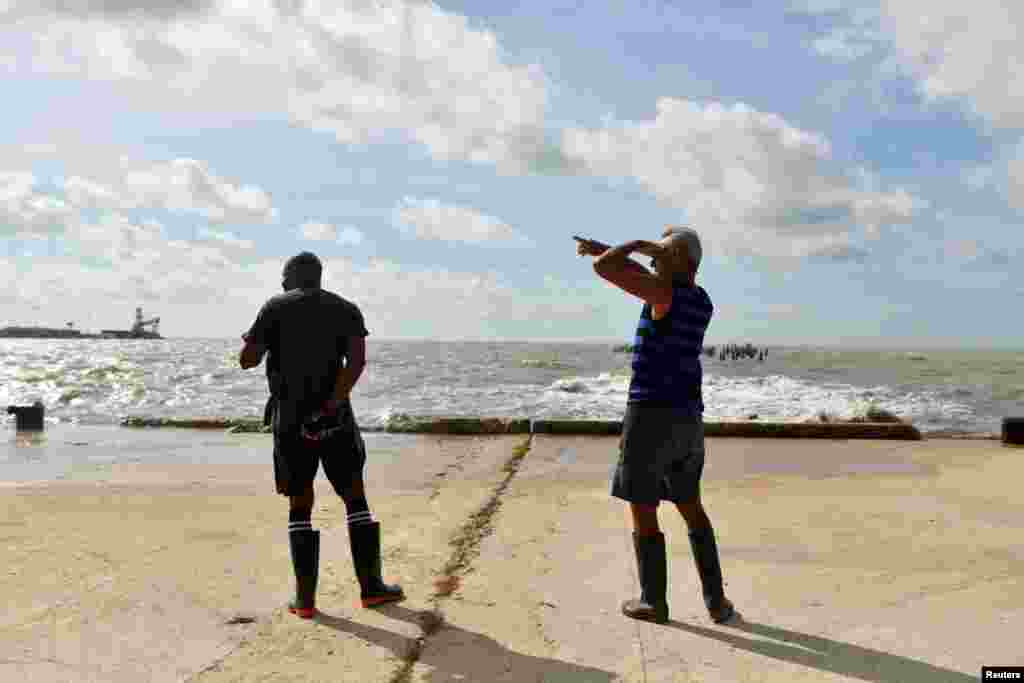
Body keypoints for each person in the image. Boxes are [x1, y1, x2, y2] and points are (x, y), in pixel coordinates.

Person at [577, 227, 736, 625]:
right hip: (688, 418)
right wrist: (612, 248)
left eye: (660, 254)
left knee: (642, 506)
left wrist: (629, 243)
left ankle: (653, 601)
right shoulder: (701, 300)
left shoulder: (664, 295)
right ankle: (717, 602)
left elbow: (605, 268)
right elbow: (631, 270)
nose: (652, 260)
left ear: (677, 258)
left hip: (651, 416)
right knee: (691, 506)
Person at [239, 251, 403, 618]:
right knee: (354, 495)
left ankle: (306, 601)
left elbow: (247, 360)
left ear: (294, 276)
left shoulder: (274, 307)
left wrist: (255, 342)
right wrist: (332, 403)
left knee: (300, 501)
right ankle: (372, 589)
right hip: (336, 417)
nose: (281, 284)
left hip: (289, 418)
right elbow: (357, 363)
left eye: (283, 278)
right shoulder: (346, 309)